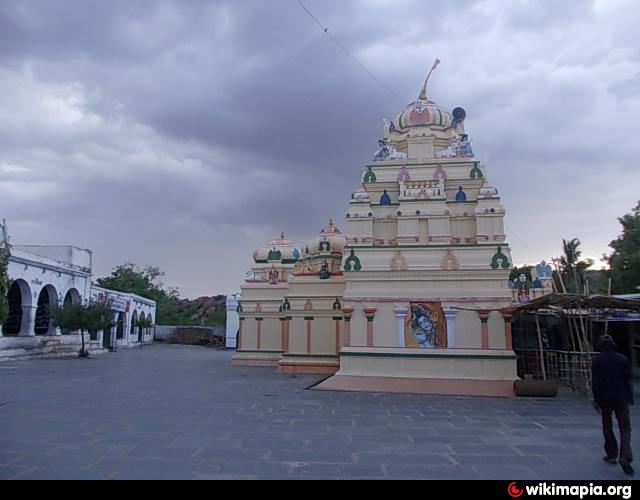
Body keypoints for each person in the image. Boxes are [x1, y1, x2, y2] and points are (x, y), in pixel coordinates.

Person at [592, 334, 634, 475]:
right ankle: (625, 455)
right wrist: (630, 397)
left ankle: (611, 453)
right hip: (621, 398)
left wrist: (596, 399)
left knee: (607, 426)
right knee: (625, 428)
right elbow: (628, 381)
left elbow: (596, 383)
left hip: (605, 399)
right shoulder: (623, 360)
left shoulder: (597, 361)